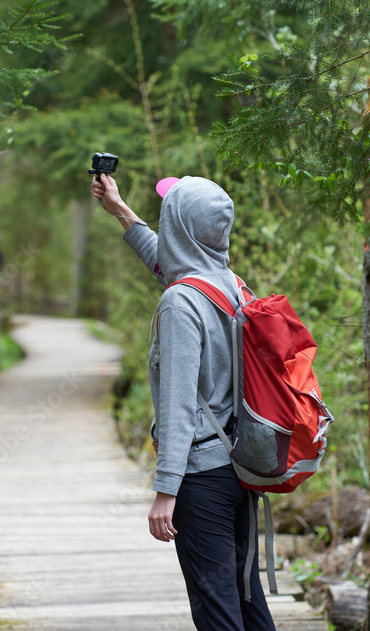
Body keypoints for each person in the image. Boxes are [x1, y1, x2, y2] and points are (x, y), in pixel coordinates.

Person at [90, 172, 276, 631]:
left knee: (218, 612)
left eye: (166, 210)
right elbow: (170, 262)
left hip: (200, 480)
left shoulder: (180, 304)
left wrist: (165, 491)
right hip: (238, 467)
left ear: (179, 227)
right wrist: (121, 211)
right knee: (247, 601)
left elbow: (176, 403)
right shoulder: (231, 284)